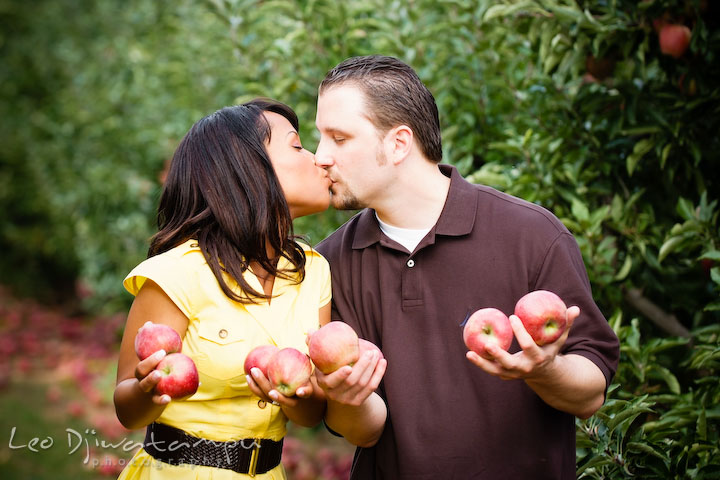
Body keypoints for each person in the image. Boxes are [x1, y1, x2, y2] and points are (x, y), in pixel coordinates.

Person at [312, 55, 621, 480]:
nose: (320, 156)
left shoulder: (531, 234)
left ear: (399, 143)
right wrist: (349, 398)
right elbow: (362, 432)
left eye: (339, 138)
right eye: (319, 138)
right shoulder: (331, 263)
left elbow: (591, 393)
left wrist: (545, 369)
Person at [113, 98, 333, 479]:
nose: (319, 159)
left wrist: (299, 397)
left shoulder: (312, 271)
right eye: (297, 145)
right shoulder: (178, 273)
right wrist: (148, 389)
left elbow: (312, 414)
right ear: (246, 168)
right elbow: (126, 409)